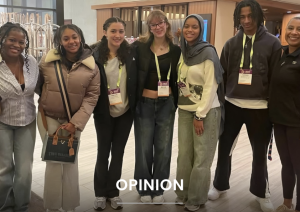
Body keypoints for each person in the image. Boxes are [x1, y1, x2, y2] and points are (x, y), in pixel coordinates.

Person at [207, 0, 282, 212]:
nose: (246, 21)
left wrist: (273, 108)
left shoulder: (272, 44)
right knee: (225, 149)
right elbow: (223, 76)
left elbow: (276, 78)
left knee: (259, 153)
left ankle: (261, 193)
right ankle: (219, 185)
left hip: (260, 108)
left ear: (258, 16)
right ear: (237, 18)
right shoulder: (231, 43)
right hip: (232, 105)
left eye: (250, 16)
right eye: (242, 17)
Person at [35, 24, 100, 212]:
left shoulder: (91, 65)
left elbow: (92, 96)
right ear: (60, 42)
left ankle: (70, 206)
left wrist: (75, 123)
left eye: (75, 37)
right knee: (54, 161)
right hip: (49, 118)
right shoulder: (47, 61)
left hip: (74, 120)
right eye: (66, 39)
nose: (71, 41)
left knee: (71, 162)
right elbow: (38, 87)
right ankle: (53, 207)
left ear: (80, 38)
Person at [175, 15, 224, 212]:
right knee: (184, 155)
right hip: (184, 110)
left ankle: (196, 198)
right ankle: (183, 193)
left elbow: (211, 85)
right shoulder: (184, 52)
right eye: (187, 26)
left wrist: (200, 115)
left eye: (194, 27)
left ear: (200, 30)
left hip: (206, 111)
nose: (190, 30)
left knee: (202, 156)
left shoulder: (208, 52)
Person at [133, 10, 181, 203]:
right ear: (149, 28)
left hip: (166, 104)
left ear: (166, 24)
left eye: (160, 23)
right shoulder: (140, 47)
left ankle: (159, 188)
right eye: (153, 25)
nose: (157, 27)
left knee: (163, 147)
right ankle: (144, 189)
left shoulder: (176, 50)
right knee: (143, 148)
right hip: (144, 103)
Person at [90, 17, 137, 211]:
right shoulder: (94, 56)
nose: (117, 35)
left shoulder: (131, 54)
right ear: (105, 32)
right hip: (103, 113)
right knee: (103, 153)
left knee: (118, 153)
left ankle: (114, 192)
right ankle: (100, 193)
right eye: (113, 31)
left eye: (120, 31)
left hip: (125, 112)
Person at [0, 22, 39, 212]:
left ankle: (22, 206)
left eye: (21, 42)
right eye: (12, 40)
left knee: (25, 170)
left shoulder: (30, 61)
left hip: (27, 120)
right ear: (2, 40)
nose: (17, 45)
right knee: (3, 170)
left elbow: (40, 86)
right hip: (2, 122)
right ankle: (5, 206)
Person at [269, 16, 300, 212]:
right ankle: (287, 203)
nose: (294, 32)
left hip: (297, 122)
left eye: (299, 29)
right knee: (286, 164)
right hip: (279, 120)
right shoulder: (281, 55)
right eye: (291, 28)